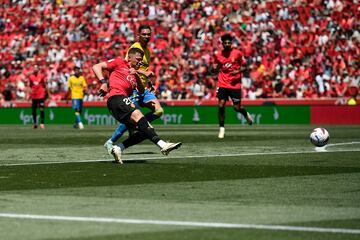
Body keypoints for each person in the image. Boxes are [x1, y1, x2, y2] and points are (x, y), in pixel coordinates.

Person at [92, 48, 181, 164]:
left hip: (121, 102)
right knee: (139, 116)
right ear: (129, 58)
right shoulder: (119, 62)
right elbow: (96, 66)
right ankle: (163, 145)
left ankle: (118, 148)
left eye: (141, 61)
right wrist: (103, 82)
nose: (140, 62)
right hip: (116, 98)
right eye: (138, 59)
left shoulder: (134, 75)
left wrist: (138, 75)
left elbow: (140, 90)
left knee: (146, 130)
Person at [103, 25, 164, 154]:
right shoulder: (135, 48)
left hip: (143, 87)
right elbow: (127, 68)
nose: (147, 36)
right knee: (132, 118)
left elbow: (143, 70)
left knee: (158, 111)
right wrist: (143, 73)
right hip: (133, 87)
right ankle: (112, 141)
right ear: (138, 35)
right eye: (144, 34)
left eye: (148, 34)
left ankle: (142, 125)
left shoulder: (147, 50)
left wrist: (148, 81)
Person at [213, 33, 253, 138]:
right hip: (222, 83)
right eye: (225, 42)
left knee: (237, 107)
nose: (227, 44)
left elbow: (245, 67)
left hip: (235, 84)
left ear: (231, 43)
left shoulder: (238, 53)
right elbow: (216, 67)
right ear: (222, 44)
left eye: (229, 42)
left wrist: (238, 71)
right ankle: (221, 128)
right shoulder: (218, 55)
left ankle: (245, 114)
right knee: (221, 105)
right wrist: (214, 67)